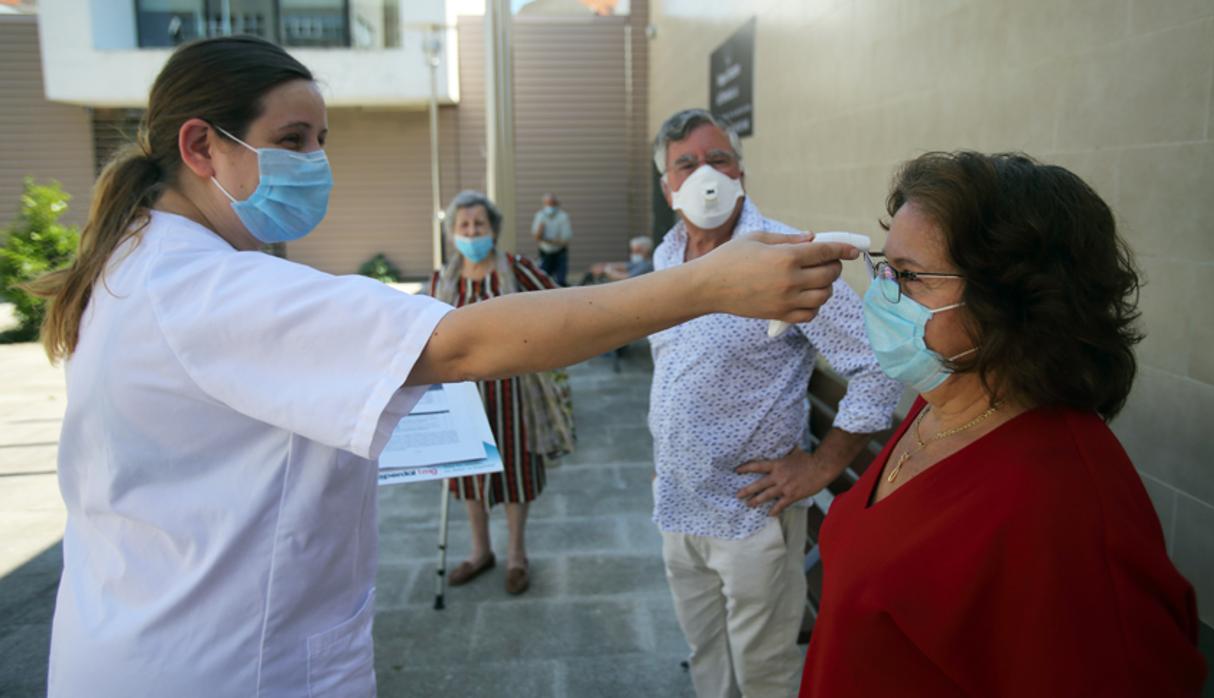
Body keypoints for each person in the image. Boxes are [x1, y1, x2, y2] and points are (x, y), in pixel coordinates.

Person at [27, 37, 858, 698]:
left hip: (163, 633)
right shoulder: (205, 287)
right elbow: (462, 342)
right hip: (217, 662)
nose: (315, 162)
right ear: (201, 145)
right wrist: (704, 286)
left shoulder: (145, 264)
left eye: (320, 140)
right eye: (291, 140)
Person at [799, 151, 1206, 696]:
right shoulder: (943, 400)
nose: (882, 294)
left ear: (1011, 301)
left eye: (911, 276)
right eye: (885, 268)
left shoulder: (1066, 511)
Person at [646, 108, 904, 698]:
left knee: (764, 670)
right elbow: (672, 367)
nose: (705, 174)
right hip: (678, 501)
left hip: (749, 514)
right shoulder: (667, 255)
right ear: (668, 186)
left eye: (719, 159)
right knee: (704, 652)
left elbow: (877, 365)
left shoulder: (787, 256)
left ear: (742, 170)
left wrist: (819, 466)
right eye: (686, 164)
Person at [430, 190, 571, 596]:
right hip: (461, 396)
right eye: (464, 226)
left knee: (515, 475)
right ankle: (480, 552)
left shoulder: (516, 269)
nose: (472, 232)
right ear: (453, 232)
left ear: (493, 229)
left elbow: (554, 303)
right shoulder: (443, 278)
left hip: (514, 393)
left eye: (479, 225)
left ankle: (516, 556)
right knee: (468, 478)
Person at [531, 192, 572, 284]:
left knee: (560, 281)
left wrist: (548, 240)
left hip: (559, 253)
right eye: (548, 203)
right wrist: (540, 234)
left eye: (552, 203)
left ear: (557, 204)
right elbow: (536, 236)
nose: (550, 206)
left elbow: (565, 239)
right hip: (545, 253)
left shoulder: (563, 217)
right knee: (543, 280)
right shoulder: (540, 216)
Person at [582, 235, 655, 284]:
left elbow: (627, 278)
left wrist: (607, 270)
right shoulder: (640, 262)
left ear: (646, 250)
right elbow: (624, 265)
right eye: (632, 251)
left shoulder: (648, 265)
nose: (633, 254)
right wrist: (603, 266)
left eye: (637, 251)